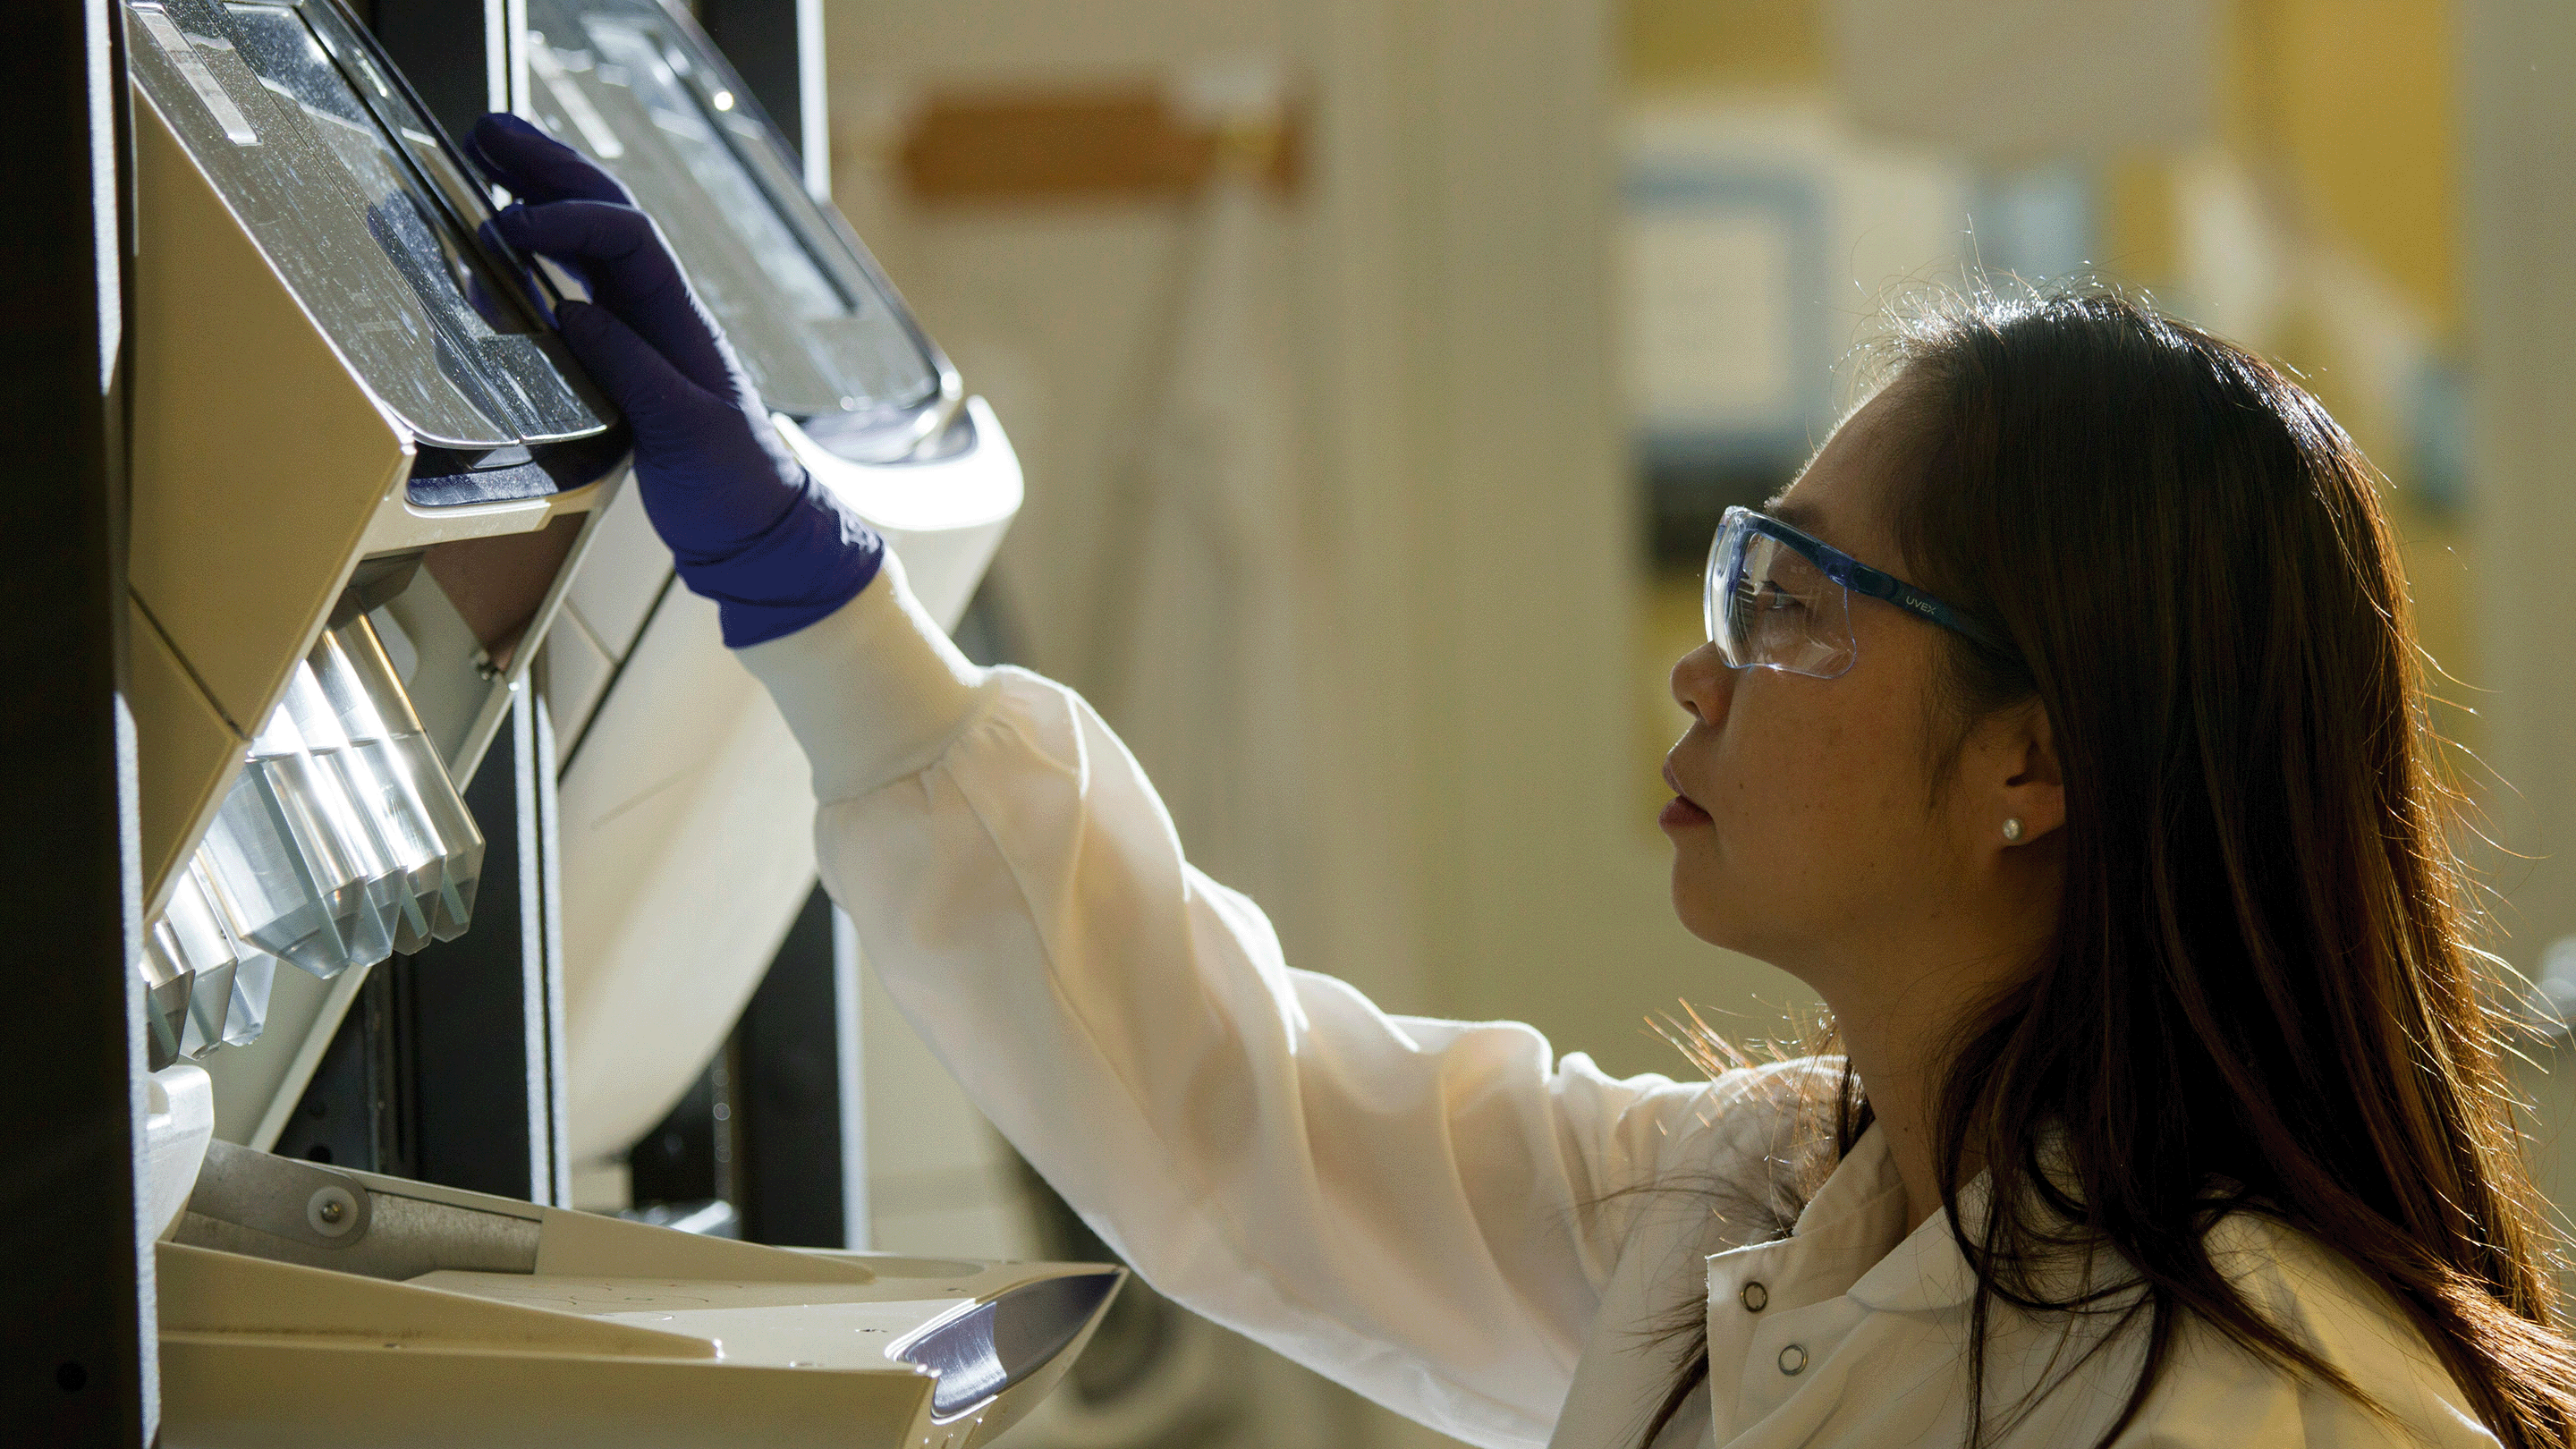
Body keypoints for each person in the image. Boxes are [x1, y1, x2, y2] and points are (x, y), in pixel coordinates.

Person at [468, 114, 2576, 1447]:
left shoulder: (2271, 1404)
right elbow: (1249, 1117)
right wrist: (818, 598)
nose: (1704, 664)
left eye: (1797, 603)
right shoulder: (1764, 1208)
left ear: (2032, 763)